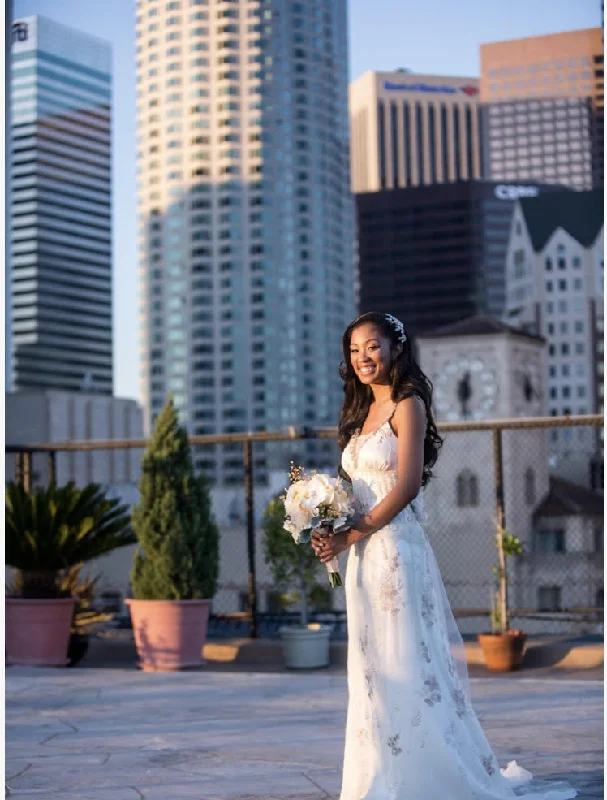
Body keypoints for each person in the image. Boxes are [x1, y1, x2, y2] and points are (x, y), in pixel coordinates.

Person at [311, 312, 577, 800]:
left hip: (395, 550)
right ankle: (378, 776)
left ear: (395, 348)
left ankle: (422, 779)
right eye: (354, 350)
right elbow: (359, 491)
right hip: (363, 559)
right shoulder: (359, 413)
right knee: (372, 668)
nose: (363, 357)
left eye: (372, 346)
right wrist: (326, 523)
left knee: (406, 662)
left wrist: (352, 535)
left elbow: (407, 485)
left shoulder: (407, 405)